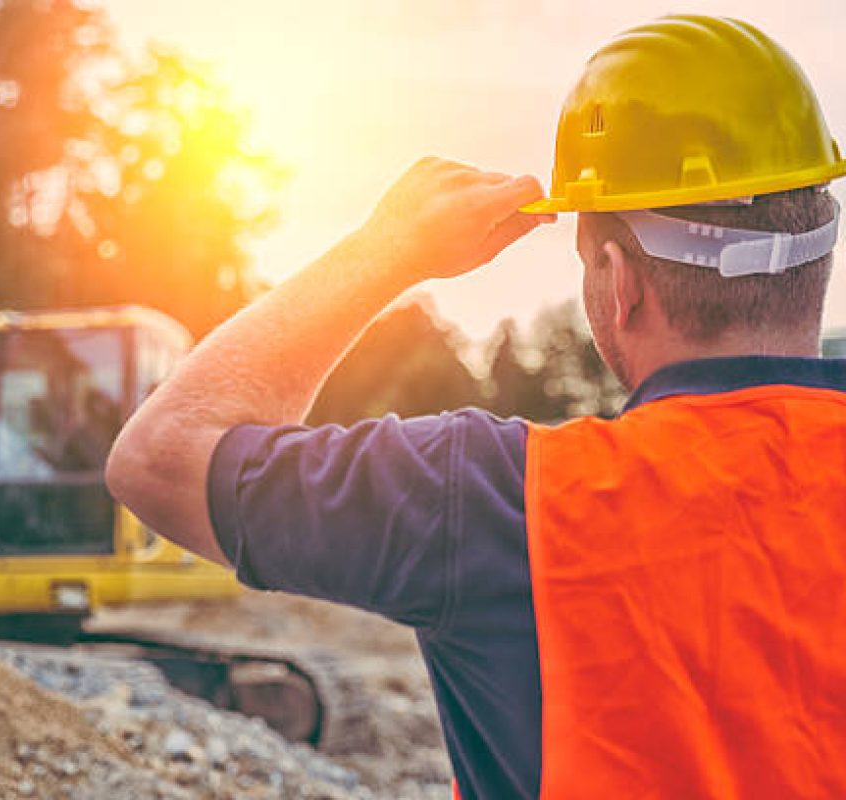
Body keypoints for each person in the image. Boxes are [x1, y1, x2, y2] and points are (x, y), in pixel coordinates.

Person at [107, 15, 846, 799]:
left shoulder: (499, 501)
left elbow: (162, 457)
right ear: (820, 253)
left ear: (619, 282)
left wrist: (386, 250)